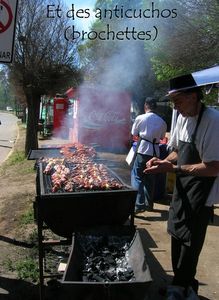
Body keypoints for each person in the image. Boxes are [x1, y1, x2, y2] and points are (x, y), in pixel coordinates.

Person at [144, 74, 219, 298]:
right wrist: (165, 161)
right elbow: (177, 151)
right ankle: (179, 284)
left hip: (202, 194)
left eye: (178, 101)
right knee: (176, 235)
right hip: (183, 189)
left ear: (194, 96)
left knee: (190, 243)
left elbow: (214, 167)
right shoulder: (182, 117)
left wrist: (174, 169)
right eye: (173, 102)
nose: (175, 107)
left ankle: (185, 287)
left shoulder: (213, 121)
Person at [131, 97, 167, 213]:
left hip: (142, 150)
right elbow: (162, 138)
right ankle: (149, 205)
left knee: (137, 177)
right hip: (155, 153)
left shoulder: (140, 118)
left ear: (146, 105)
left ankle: (138, 205)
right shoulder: (162, 121)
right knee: (151, 179)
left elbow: (134, 133)